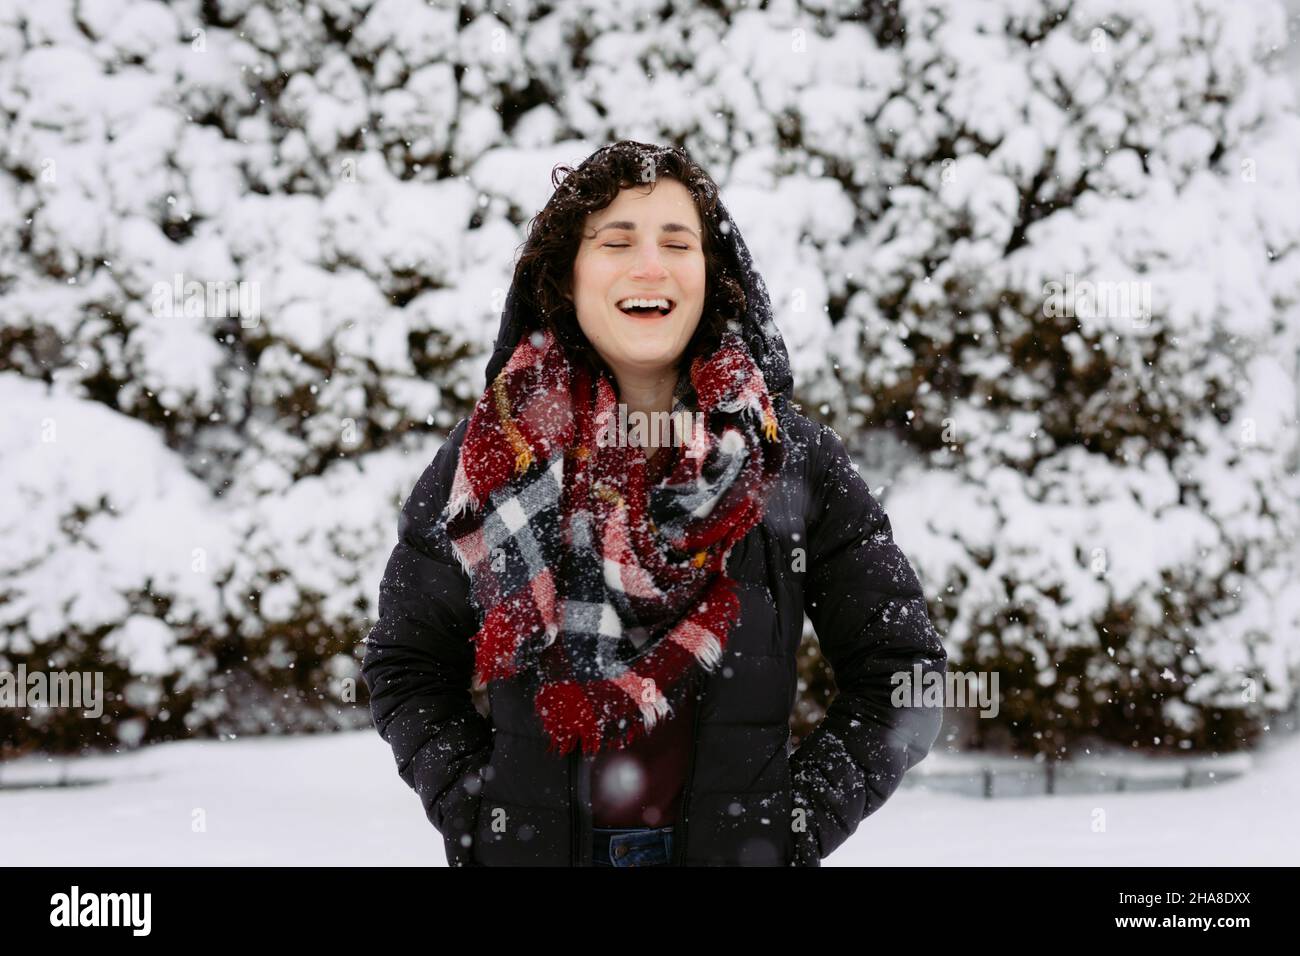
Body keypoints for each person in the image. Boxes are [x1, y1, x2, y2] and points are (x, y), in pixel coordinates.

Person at [361, 141, 947, 867]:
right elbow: (406, 664)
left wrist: (787, 833)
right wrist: (487, 818)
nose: (650, 265)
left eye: (678, 242)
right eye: (616, 242)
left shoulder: (789, 458)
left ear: (713, 275)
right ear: (566, 276)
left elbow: (905, 675)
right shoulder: (490, 453)